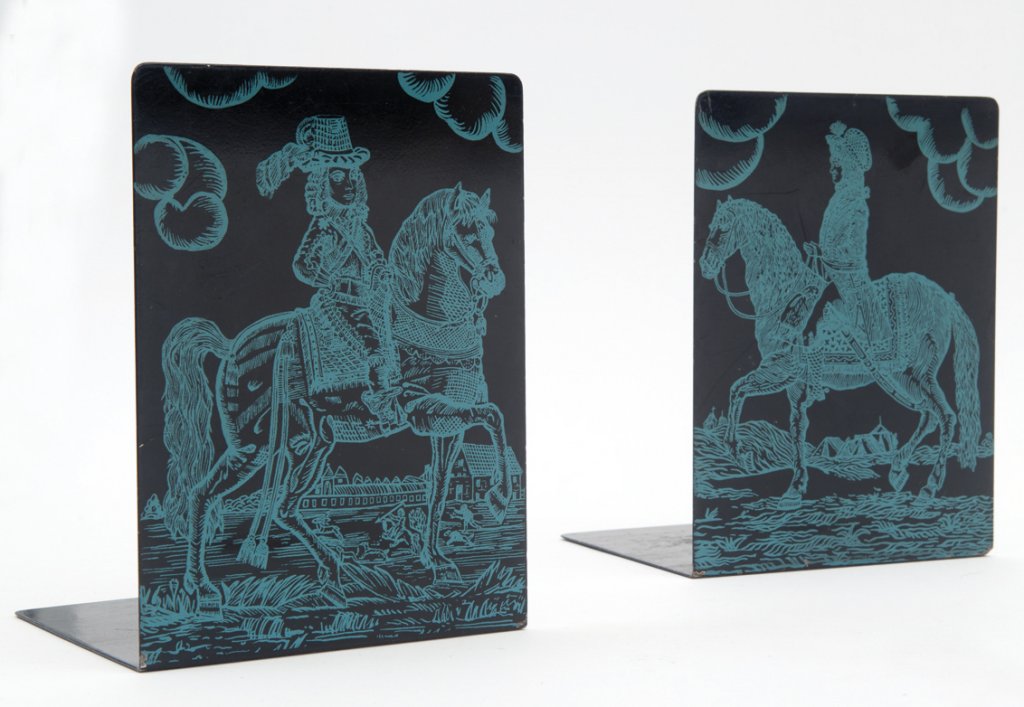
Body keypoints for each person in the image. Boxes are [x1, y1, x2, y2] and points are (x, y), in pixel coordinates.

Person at [256, 115, 400, 422]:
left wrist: (381, 270)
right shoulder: (323, 226)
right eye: (337, 178)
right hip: (339, 302)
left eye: (351, 178)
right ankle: (379, 400)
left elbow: (375, 255)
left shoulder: (360, 227)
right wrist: (318, 276)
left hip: (367, 298)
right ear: (322, 183)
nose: (347, 185)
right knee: (373, 346)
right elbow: (301, 262)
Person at [818, 121, 889, 353]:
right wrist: (818, 251)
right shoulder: (838, 200)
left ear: (848, 168)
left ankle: (871, 344)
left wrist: (826, 255)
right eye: (832, 164)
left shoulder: (856, 204)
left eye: (836, 164)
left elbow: (854, 253)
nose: (831, 170)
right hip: (829, 269)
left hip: (849, 279)